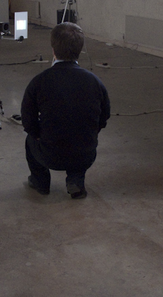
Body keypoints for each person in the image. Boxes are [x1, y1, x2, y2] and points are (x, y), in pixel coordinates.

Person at [22, 22, 110, 199]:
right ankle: (76, 180)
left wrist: (37, 135)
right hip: (85, 153)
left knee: (29, 141)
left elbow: (28, 120)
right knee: (78, 139)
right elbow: (104, 116)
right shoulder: (94, 81)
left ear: (53, 49)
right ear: (80, 49)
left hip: (50, 154)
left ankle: (40, 182)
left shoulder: (39, 82)